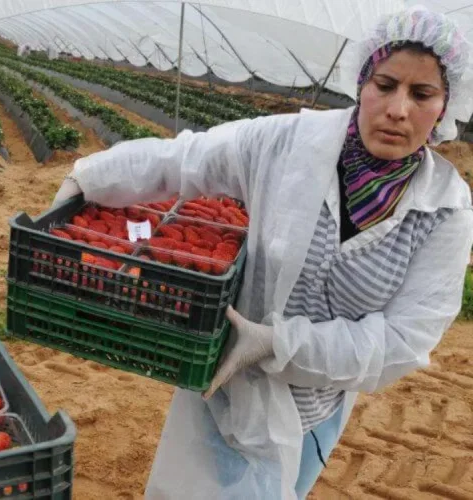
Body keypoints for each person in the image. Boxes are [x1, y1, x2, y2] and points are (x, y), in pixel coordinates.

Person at [52, 6, 473, 499]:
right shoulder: (287, 143)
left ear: (445, 105)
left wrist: (278, 344)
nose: (399, 109)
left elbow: (401, 340)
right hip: (223, 386)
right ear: (361, 83)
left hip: (313, 410)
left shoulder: (444, 212)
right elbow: (185, 159)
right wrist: (89, 176)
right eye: (385, 85)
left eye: (422, 94)